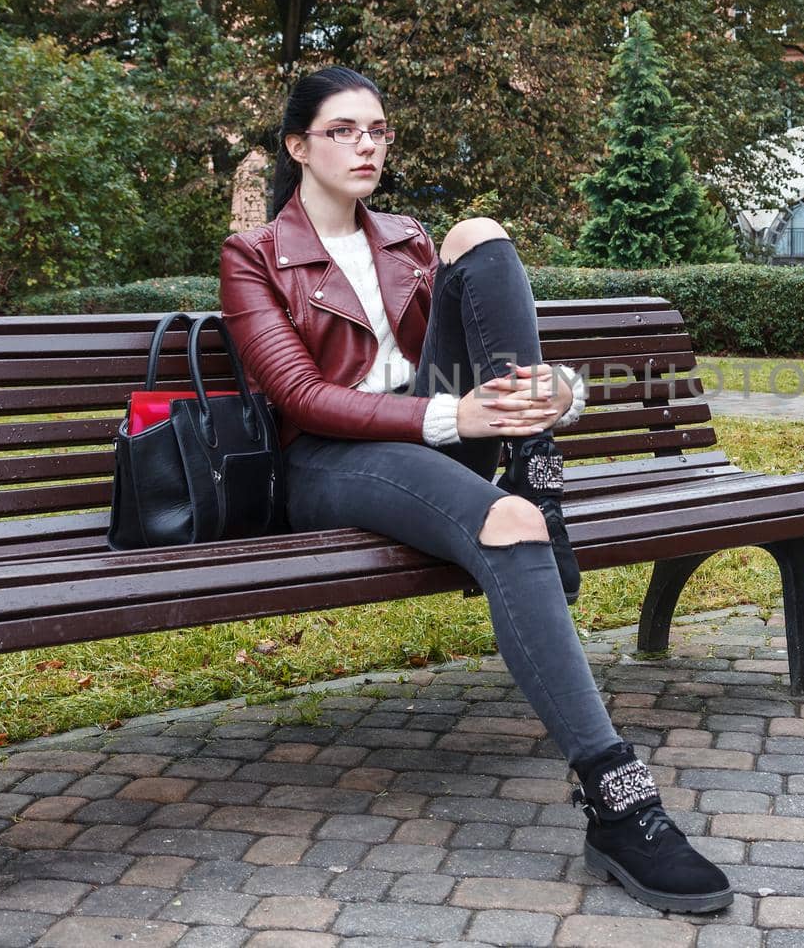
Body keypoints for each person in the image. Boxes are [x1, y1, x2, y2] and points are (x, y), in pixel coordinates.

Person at [219, 66, 733, 914]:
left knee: (482, 231)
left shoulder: (409, 239)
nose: (367, 146)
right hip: (329, 463)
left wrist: (557, 392)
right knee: (510, 521)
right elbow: (303, 398)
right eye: (344, 130)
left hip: (438, 434)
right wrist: (456, 415)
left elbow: (480, 358)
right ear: (298, 145)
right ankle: (618, 799)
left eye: (378, 130)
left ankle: (537, 460)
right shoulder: (256, 256)